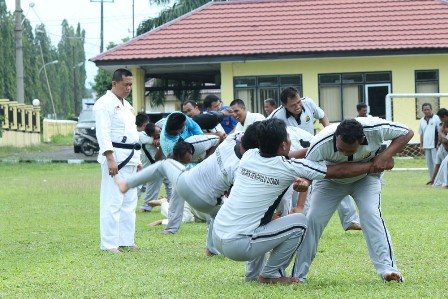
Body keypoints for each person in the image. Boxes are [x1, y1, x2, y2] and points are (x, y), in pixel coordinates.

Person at [212, 118, 379, 284]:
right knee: (299, 222)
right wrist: (374, 165)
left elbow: (289, 158)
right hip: (238, 245)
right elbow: (339, 170)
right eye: (288, 137)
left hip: (218, 234)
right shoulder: (288, 167)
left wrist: (311, 149)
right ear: (284, 144)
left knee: (263, 224)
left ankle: (252, 276)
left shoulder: (249, 156)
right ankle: (271, 275)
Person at [292, 117, 413, 283]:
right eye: (340, 149)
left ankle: (389, 270)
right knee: (313, 220)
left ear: (362, 140)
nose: (344, 153)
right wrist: (305, 182)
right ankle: (297, 275)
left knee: (372, 215)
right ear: (336, 137)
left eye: (349, 151)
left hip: (366, 179)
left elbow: (407, 133)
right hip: (330, 183)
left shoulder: (375, 129)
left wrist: (385, 155)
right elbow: (307, 170)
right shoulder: (321, 142)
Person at [115, 123, 261, 255]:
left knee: (164, 165)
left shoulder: (230, 140)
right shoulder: (242, 167)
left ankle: (126, 184)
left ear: (243, 139)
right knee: (218, 214)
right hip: (207, 203)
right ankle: (211, 249)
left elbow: (237, 133)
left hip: (186, 184)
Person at [271, 87, 361, 231]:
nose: (298, 106)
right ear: (284, 105)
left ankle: (350, 220)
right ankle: (296, 223)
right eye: (293, 105)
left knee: (335, 180)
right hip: (295, 155)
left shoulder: (309, 103)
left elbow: (322, 115)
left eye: (298, 102)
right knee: (299, 188)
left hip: (315, 149)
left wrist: (330, 133)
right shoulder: (276, 117)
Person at [93, 68, 142, 254]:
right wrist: (109, 157)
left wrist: (137, 160)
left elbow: (131, 134)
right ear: (114, 84)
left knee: (129, 202)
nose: (129, 88)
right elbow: (103, 133)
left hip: (130, 157)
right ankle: (109, 244)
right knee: (112, 202)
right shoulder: (104, 104)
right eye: (126, 84)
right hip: (115, 158)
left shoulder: (127, 106)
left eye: (131, 84)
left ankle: (126, 241)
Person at [419, 103, 440, 180]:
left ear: (431, 109)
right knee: (429, 164)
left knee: (436, 163)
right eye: (425, 110)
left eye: (428, 109)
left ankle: (438, 180)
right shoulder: (421, 120)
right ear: (422, 111)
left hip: (435, 145)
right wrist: (421, 145)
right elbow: (421, 134)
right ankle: (432, 179)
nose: (427, 111)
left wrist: (439, 144)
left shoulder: (436, 118)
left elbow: (439, 132)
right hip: (426, 145)